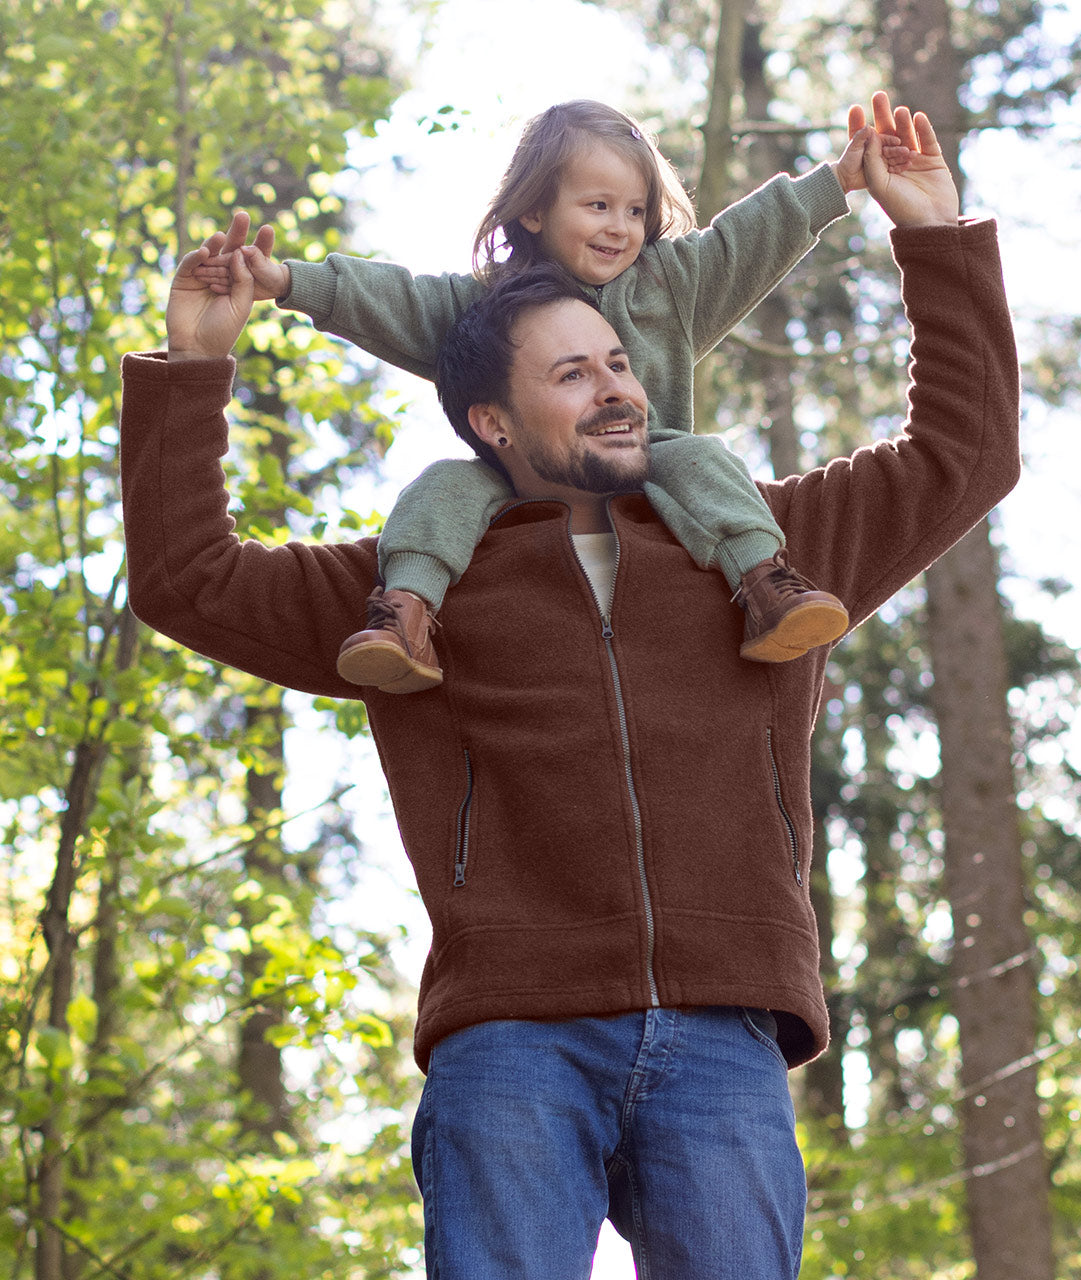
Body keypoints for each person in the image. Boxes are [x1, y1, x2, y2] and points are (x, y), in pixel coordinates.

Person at [120, 98, 1021, 1279]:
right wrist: (196, 365)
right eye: (569, 372)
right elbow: (187, 580)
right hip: (510, 1037)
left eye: (619, 363)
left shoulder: (771, 555)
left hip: (726, 1036)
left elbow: (967, 452)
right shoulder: (418, 592)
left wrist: (932, 235)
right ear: (490, 419)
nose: (615, 386)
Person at [194, 97, 918, 693]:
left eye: (635, 211)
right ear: (534, 211)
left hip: (648, 477)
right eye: (598, 204)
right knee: (444, 484)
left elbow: (746, 237)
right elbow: (394, 299)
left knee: (697, 455)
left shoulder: (672, 287)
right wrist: (286, 282)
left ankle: (765, 585)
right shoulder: (487, 307)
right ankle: (407, 615)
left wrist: (838, 183)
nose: (620, 228)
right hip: (526, 487)